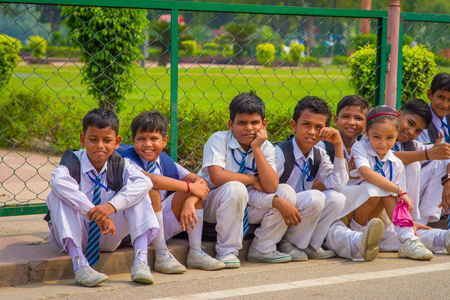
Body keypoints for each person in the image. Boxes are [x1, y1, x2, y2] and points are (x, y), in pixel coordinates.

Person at [46, 109, 159, 287]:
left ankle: (141, 261)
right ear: (83, 140)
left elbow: (145, 182)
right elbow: (58, 181)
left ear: (117, 142)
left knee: (139, 192)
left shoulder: (120, 164)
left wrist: (111, 207)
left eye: (107, 140)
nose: (100, 145)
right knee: (58, 194)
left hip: (108, 234)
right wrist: (91, 211)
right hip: (75, 235)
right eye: (93, 139)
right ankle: (80, 265)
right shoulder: (73, 161)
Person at [197, 91, 300, 267]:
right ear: (231, 124)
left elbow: (270, 186)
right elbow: (217, 175)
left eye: (255, 123)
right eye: (242, 123)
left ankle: (262, 248)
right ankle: (227, 251)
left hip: (245, 203)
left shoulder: (265, 147)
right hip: (211, 204)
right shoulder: (219, 139)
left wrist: (257, 149)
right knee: (236, 188)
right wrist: (252, 179)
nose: (249, 128)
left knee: (286, 192)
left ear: (264, 124)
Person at [120, 111, 224, 272]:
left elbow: (201, 182)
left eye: (154, 139)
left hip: (161, 222)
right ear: (133, 141)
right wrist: (190, 187)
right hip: (134, 228)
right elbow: (152, 180)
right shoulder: (128, 161)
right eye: (141, 139)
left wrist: (190, 200)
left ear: (165, 140)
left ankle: (196, 252)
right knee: (153, 190)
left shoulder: (166, 161)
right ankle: (162, 255)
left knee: (196, 191)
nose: (147, 144)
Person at [340, 106, 433, 260]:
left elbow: (397, 200)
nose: (383, 144)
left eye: (389, 138)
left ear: (396, 135)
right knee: (378, 187)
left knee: (389, 194)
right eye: (376, 137)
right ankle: (357, 233)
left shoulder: (396, 163)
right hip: (348, 209)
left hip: (373, 213)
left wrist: (408, 222)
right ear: (366, 132)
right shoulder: (360, 147)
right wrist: (399, 190)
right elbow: (367, 173)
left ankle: (407, 239)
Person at [276, 96, 348, 259]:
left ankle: (309, 244)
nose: (312, 132)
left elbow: (337, 184)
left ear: (326, 130)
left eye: (318, 127)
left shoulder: (319, 154)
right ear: (294, 125)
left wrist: (338, 145)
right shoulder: (281, 152)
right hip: (278, 211)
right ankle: (286, 243)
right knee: (314, 197)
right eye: (306, 125)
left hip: (300, 212)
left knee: (337, 198)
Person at [416, 73, 450, 224]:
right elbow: (434, 157)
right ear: (430, 94)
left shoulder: (446, 120)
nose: (445, 104)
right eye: (441, 97)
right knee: (441, 161)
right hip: (416, 181)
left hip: (435, 180)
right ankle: (423, 220)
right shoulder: (422, 121)